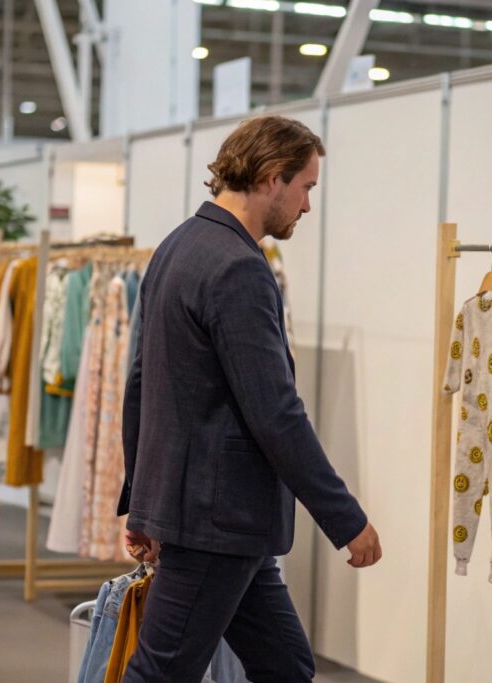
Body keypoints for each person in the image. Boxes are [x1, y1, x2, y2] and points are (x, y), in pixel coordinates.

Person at [119, 115, 381, 682]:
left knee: (285, 667)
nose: (308, 205)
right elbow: (276, 414)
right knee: (161, 673)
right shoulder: (238, 266)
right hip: (218, 519)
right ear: (271, 177)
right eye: (306, 186)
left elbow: (141, 382)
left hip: (219, 519)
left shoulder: (177, 246)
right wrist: (346, 519)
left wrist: (142, 499)